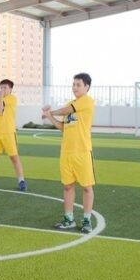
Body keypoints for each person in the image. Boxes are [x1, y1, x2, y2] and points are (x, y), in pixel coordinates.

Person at [42, 73, 96, 233]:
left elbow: (67, 110)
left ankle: (87, 220)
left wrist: (51, 112)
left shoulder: (86, 101)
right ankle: (69, 219)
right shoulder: (69, 104)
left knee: (87, 187)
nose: (75, 87)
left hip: (82, 151)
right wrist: (49, 117)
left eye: (78, 85)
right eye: (73, 84)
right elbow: (63, 127)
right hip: (66, 152)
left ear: (86, 87)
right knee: (67, 186)